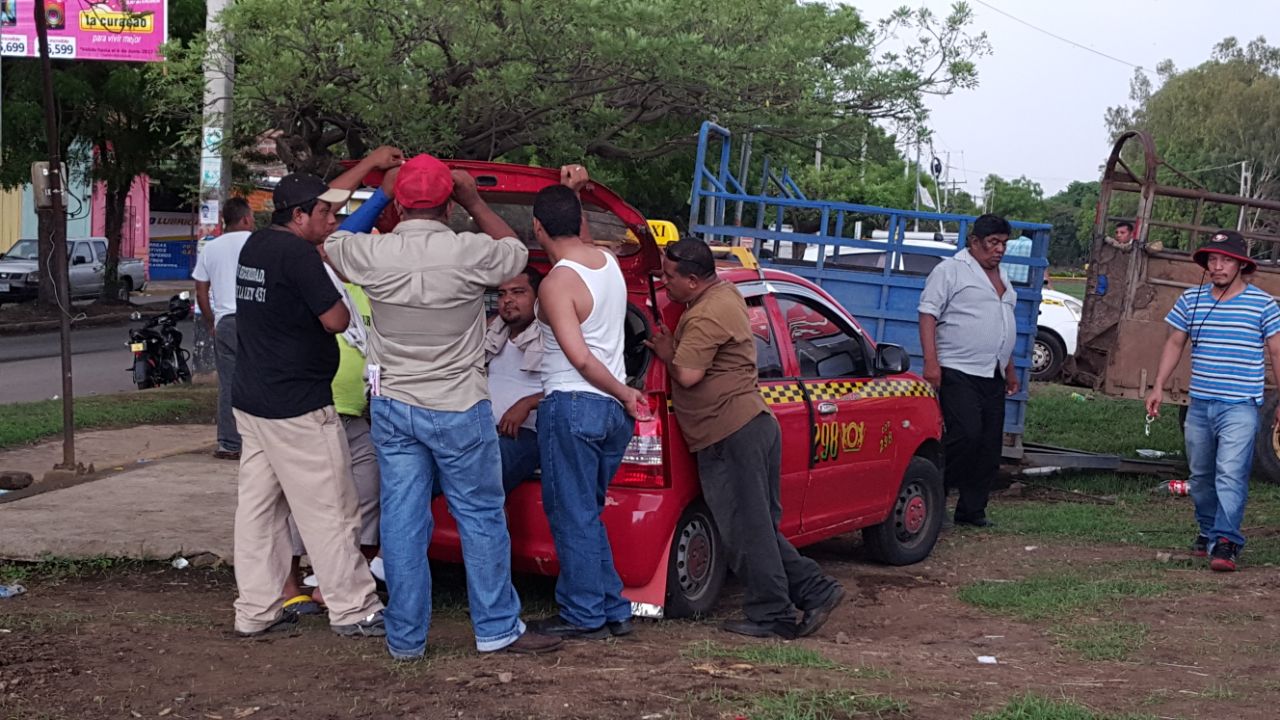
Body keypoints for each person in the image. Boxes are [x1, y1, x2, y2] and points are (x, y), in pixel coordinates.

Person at [324, 153, 561, 658]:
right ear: (449, 206)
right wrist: (475, 199)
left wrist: (381, 194)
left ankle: (405, 639)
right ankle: (496, 629)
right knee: (480, 516)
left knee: (403, 520)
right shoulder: (469, 252)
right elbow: (515, 253)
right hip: (458, 405)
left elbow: (333, 241)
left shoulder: (374, 253)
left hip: (394, 406)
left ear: (400, 204)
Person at [644, 238, 844, 640]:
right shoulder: (725, 294)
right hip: (747, 425)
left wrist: (667, 351)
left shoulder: (706, 313)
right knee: (757, 528)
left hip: (731, 431)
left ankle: (774, 612)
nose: (664, 283)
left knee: (745, 530)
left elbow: (688, 375)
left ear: (693, 280)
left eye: (669, 277)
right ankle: (814, 590)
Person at [230, 171, 386, 639]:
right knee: (332, 509)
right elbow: (336, 319)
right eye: (325, 212)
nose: (333, 220)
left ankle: (256, 610)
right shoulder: (298, 254)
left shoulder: (255, 245)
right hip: (297, 404)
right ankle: (354, 608)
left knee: (259, 512)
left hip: (254, 400)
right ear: (299, 216)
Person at [528, 170, 647, 640]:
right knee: (586, 513)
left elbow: (578, 357)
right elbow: (581, 238)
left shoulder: (557, 284)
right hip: (609, 413)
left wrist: (623, 391)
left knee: (571, 514)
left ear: (537, 228)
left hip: (573, 402)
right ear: (579, 222)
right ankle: (612, 607)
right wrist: (622, 393)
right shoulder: (607, 262)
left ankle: (582, 614)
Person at [283, 164, 401, 615]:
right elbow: (333, 220)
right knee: (309, 500)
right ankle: (291, 585)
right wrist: (379, 190)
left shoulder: (369, 292)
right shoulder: (315, 277)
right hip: (316, 407)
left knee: (368, 494)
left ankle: (348, 578)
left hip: (359, 414)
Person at [1145, 230, 1280, 572]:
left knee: (1230, 473)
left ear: (1241, 265)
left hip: (1241, 405)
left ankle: (1226, 541)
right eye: (1213, 260)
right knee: (1201, 475)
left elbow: (1277, 351)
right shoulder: (1191, 300)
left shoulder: (1263, 304)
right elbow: (1175, 343)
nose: (1218, 266)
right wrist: (1158, 386)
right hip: (1200, 403)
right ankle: (1208, 531)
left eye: (1226, 260)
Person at [918, 213, 1019, 528]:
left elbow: (1003, 325)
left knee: (989, 446)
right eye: (993, 242)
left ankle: (972, 510)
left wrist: (1010, 368)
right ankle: (933, 497)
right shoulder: (950, 270)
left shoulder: (1003, 276)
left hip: (993, 372)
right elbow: (927, 314)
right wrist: (931, 362)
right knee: (966, 435)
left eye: (1003, 244)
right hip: (958, 369)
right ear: (974, 242)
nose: (999, 249)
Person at [192, 197, 254, 461]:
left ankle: (229, 443)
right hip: (256, 321)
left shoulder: (211, 248)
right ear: (246, 219)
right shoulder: (256, 243)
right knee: (261, 381)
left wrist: (211, 321)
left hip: (225, 322)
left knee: (228, 384)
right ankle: (258, 443)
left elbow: (201, 291)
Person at [484, 266, 545, 494]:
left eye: (518, 292)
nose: (507, 300)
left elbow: (574, 387)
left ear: (539, 298)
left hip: (525, 435)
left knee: (486, 469)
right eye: (502, 294)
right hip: (482, 429)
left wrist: (527, 403)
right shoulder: (491, 332)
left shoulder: (555, 336)